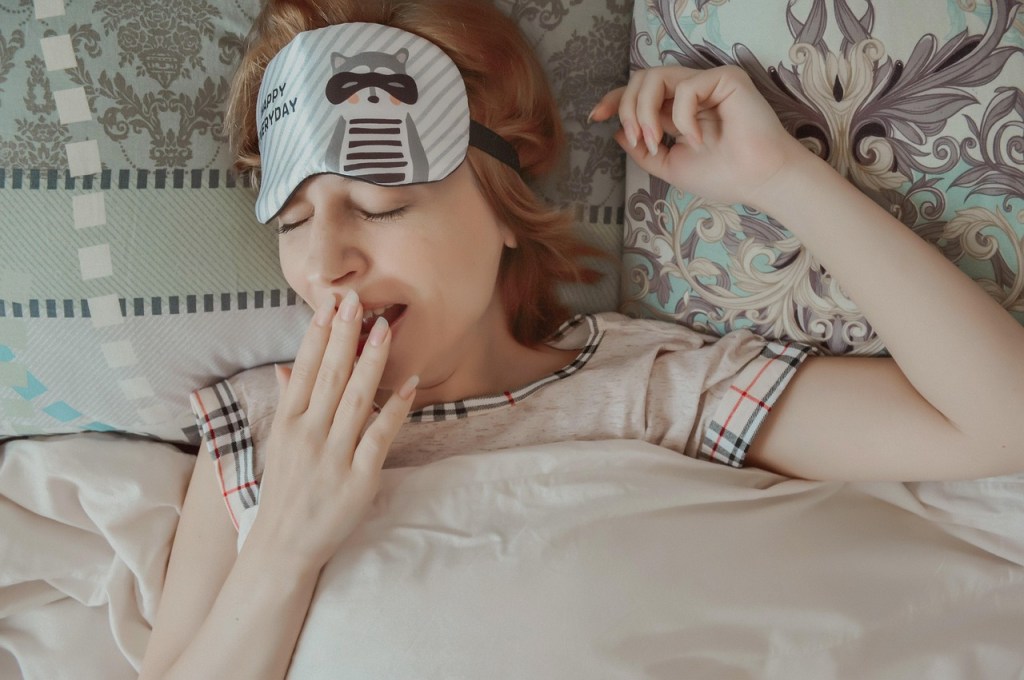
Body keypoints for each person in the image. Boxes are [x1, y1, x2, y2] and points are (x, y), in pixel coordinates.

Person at [139, 0, 1024, 677]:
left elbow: (998, 425)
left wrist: (779, 178)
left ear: (506, 210)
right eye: (293, 220)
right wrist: (286, 541)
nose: (323, 262)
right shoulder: (264, 430)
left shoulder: (648, 388)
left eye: (382, 207)